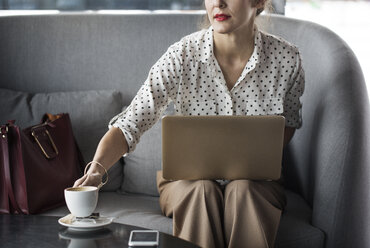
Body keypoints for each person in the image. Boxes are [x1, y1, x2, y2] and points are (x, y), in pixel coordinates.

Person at [73, 0, 305, 247]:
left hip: (258, 184)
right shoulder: (181, 56)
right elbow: (130, 124)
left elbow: (287, 124)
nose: (218, 3)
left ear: (258, 1)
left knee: (244, 190)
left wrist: (255, 158)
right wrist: (96, 169)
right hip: (186, 184)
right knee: (200, 191)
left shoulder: (287, 59)